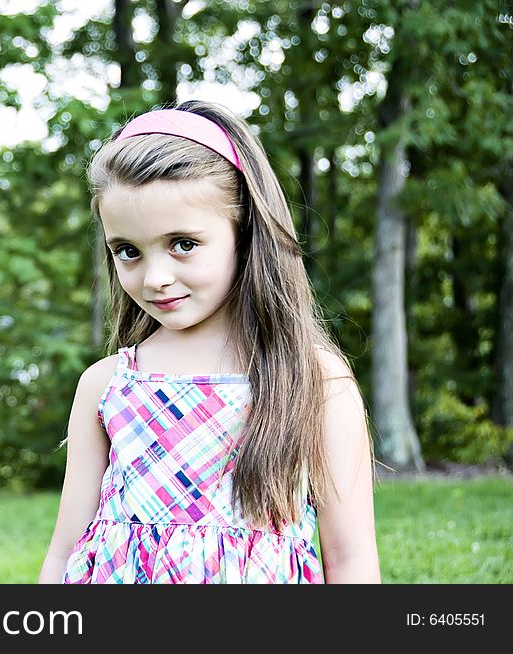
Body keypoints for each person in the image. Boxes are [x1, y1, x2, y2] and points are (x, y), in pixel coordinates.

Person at [37, 100, 381, 584]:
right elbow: (65, 552)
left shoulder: (313, 379)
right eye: (128, 251)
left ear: (245, 234)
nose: (155, 277)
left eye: (183, 243)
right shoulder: (107, 385)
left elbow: (350, 560)